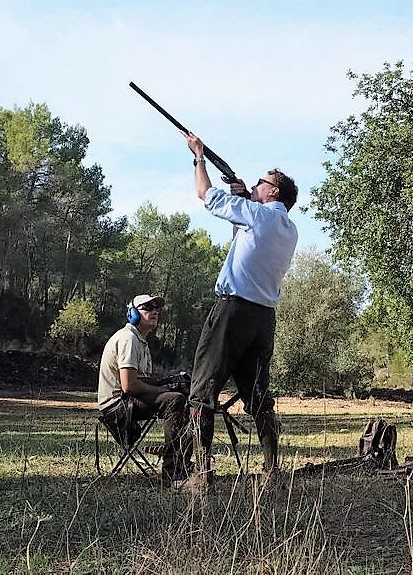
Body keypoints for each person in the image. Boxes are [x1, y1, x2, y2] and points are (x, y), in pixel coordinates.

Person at [178, 132, 298, 493]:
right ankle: (272, 472)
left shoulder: (257, 215)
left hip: (232, 312)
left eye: (263, 182)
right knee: (259, 397)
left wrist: (198, 157)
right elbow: (242, 238)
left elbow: (205, 195)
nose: (258, 184)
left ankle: (201, 475)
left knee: (202, 391)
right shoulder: (288, 229)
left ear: (273, 191)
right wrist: (243, 196)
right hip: (264, 319)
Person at [97, 293, 192, 482]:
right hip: (118, 406)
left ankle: (180, 459)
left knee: (183, 395)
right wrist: (166, 391)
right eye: (148, 308)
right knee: (174, 400)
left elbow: (142, 380)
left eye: (157, 308)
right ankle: (173, 471)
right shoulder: (128, 339)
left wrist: (170, 382)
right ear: (132, 314)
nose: (155, 311)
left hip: (128, 401)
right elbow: (129, 386)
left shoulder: (140, 340)